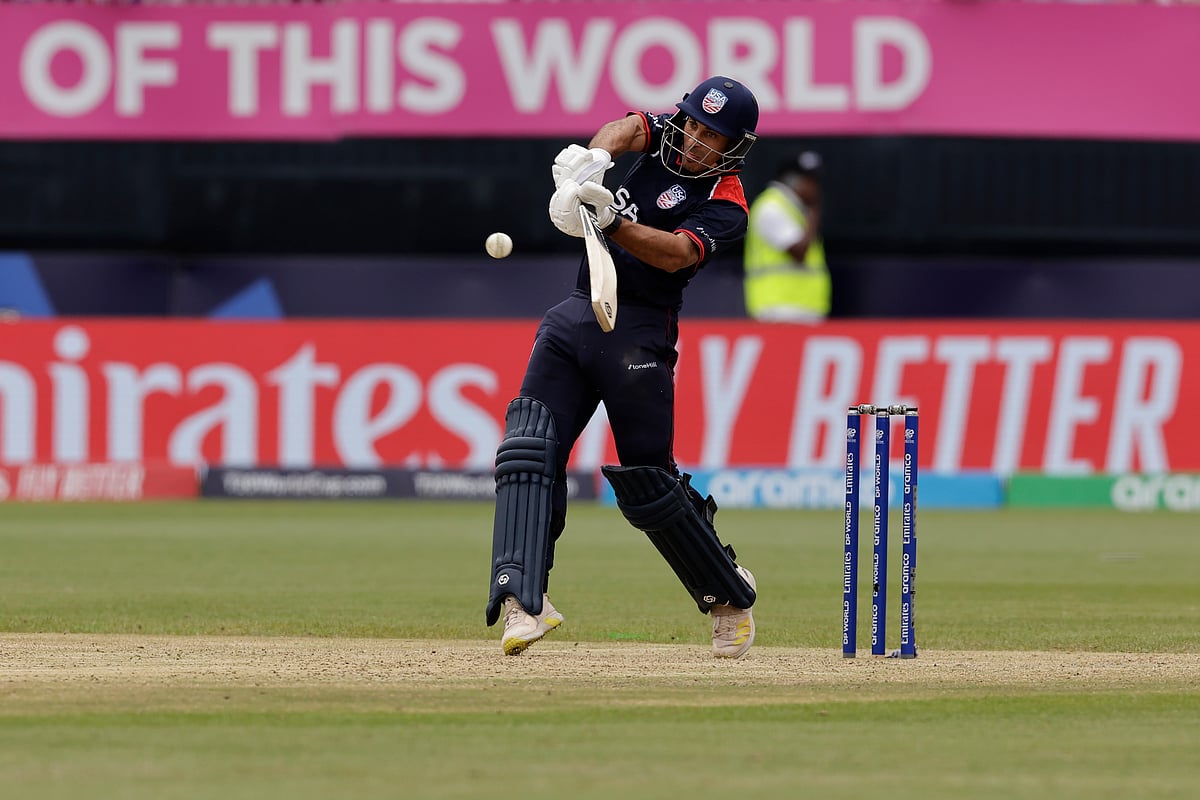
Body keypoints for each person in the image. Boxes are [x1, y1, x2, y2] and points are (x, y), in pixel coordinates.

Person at [484, 76, 761, 659]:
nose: (694, 140)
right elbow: (630, 125)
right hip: (578, 313)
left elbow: (678, 253)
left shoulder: (728, 200)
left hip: (640, 333)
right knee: (528, 449)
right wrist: (592, 162)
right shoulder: (665, 133)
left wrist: (612, 222)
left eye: (712, 135)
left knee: (648, 485)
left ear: (733, 146)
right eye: (692, 124)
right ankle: (524, 601)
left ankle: (727, 593)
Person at [743, 151, 830, 323]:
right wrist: (814, 209)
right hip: (779, 309)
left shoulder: (796, 209)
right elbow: (799, 251)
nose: (815, 187)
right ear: (792, 179)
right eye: (810, 180)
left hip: (800, 309)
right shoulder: (771, 206)